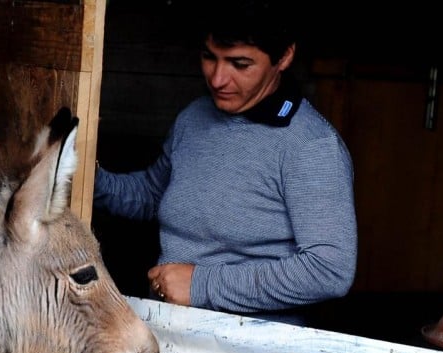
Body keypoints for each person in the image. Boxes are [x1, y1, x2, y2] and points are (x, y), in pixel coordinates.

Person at [94, 1, 357, 324]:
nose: (217, 79)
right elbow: (152, 195)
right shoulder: (194, 117)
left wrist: (201, 284)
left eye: (240, 64)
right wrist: (85, 178)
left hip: (253, 350)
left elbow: (329, 270)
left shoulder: (311, 147)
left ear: (284, 57)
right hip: (167, 331)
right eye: (209, 57)